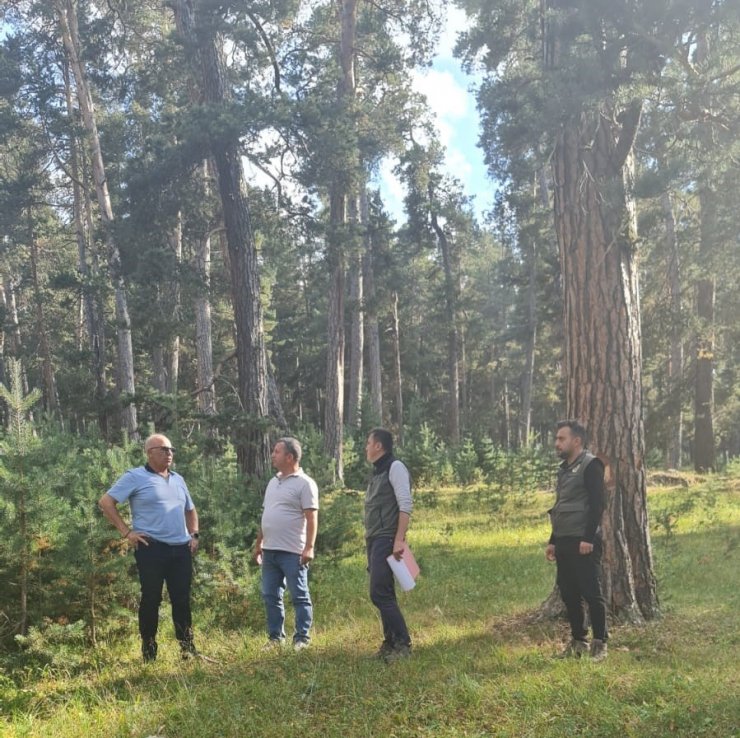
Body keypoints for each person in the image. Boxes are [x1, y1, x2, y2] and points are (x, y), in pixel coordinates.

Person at [99, 434, 199, 663]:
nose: (169, 453)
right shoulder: (135, 477)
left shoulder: (178, 479)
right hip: (152, 549)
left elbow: (190, 509)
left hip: (181, 549)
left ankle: (187, 648)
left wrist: (194, 535)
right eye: (164, 449)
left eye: (171, 449)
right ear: (149, 452)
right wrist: (127, 532)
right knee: (152, 598)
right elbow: (106, 502)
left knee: (182, 599)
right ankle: (149, 650)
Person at [545, 420, 608, 661]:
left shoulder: (591, 465)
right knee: (569, 593)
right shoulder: (564, 469)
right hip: (563, 540)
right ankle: (578, 640)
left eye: (561, 439)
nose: (557, 443)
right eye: (557, 439)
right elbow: (560, 506)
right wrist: (553, 540)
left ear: (577, 441)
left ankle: (600, 643)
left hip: (583, 541)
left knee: (592, 592)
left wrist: (588, 538)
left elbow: (597, 504)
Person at [254, 437, 319, 651]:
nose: (272, 455)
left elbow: (311, 518)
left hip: (293, 551)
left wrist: (309, 547)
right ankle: (275, 639)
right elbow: (266, 515)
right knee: (270, 595)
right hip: (270, 551)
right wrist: (259, 544)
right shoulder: (273, 482)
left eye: (276, 452)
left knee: (299, 595)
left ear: (290, 457)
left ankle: (302, 639)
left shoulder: (305, 483)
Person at [364, 428, 413, 662]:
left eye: (368, 443)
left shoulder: (395, 467)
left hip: (386, 538)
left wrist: (399, 540)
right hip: (374, 539)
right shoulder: (377, 472)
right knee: (385, 590)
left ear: (379, 446)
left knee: (378, 593)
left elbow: (405, 505)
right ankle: (390, 642)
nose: (366, 447)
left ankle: (403, 643)